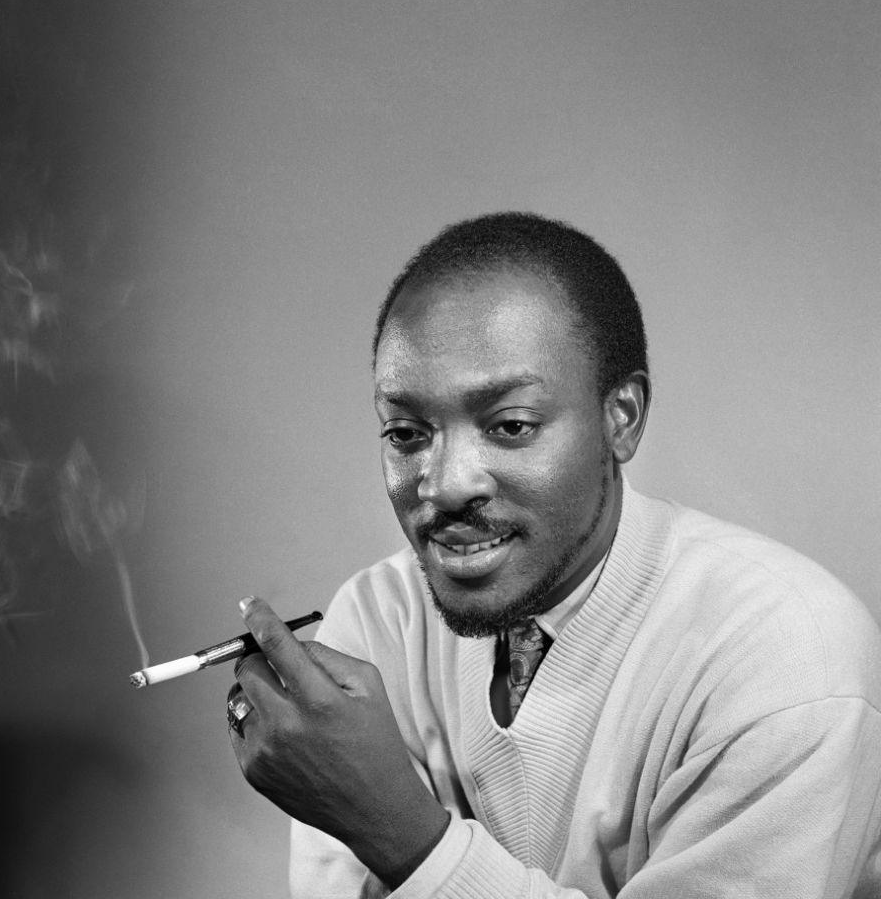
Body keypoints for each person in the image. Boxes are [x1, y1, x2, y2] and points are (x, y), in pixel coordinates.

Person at [227, 213, 881, 898]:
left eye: (510, 426)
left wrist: (401, 834)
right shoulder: (380, 624)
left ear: (620, 418)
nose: (445, 484)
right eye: (406, 432)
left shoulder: (788, 664)